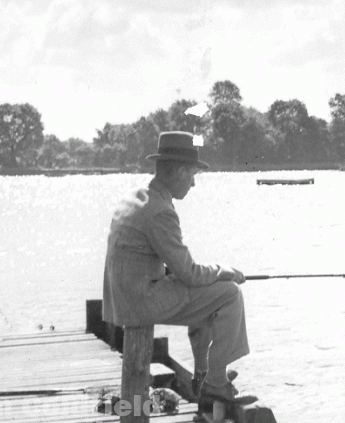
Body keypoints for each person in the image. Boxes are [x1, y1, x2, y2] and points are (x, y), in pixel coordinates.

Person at [102, 131, 256, 405]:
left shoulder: (137, 197)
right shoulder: (161, 211)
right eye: (193, 175)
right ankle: (216, 383)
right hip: (139, 303)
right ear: (180, 171)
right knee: (229, 293)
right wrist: (224, 270)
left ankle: (205, 374)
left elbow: (164, 264)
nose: (194, 183)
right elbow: (190, 273)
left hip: (123, 298)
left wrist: (206, 275)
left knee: (207, 292)